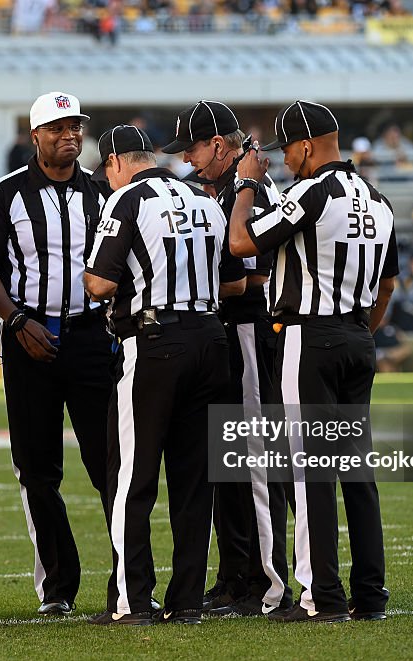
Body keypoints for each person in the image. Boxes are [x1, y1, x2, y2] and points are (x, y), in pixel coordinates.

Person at [229, 99, 397, 623]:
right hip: (357, 338)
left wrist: (246, 185)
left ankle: (322, 596)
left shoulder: (312, 190)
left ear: (306, 145)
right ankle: (370, 596)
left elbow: (240, 242)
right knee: (357, 474)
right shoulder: (378, 198)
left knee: (310, 472)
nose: (285, 160)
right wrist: (359, 333)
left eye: (287, 150)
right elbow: (388, 284)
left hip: (311, 337)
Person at [84, 124, 245, 626]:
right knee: (194, 479)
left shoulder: (127, 200)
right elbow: (235, 283)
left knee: (132, 475)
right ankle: (188, 600)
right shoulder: (201, 197)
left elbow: (98, 282)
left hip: (155, 342)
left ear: (115, 163)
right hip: (210, 340)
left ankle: (133, 600)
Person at [0, 91, 114, 617]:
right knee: (37, 469)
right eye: (57, 128)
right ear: (35, 136)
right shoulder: (5, 194)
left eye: (75, 126)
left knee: (110, 462)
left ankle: (129, 579)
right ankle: (58, 585)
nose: (69, 135)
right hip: (26, 332)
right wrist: (14, 320)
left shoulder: (103, 193)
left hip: (91, 336)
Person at [160, 100, 292, 617]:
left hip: (248, 327)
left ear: (219, 144)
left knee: (253, 458)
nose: (188, 161)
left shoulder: (254, 190)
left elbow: (250, 274)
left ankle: (268, 582)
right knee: (225, 461)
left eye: (193, 149)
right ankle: (237, 573)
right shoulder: (216, 189)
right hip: (221, 331)